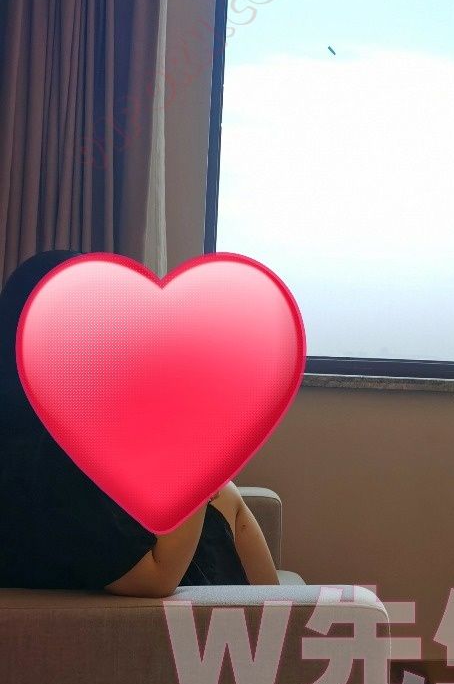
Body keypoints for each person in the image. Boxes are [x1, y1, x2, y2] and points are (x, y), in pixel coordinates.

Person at [0, 250, 279, 596]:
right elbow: (156, 578)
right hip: (138, 605)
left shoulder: (29, 414)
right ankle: (283, 616)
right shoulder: (50, 450)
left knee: (225, 495)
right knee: (222, 500)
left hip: (88, 567)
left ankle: (281, 613)